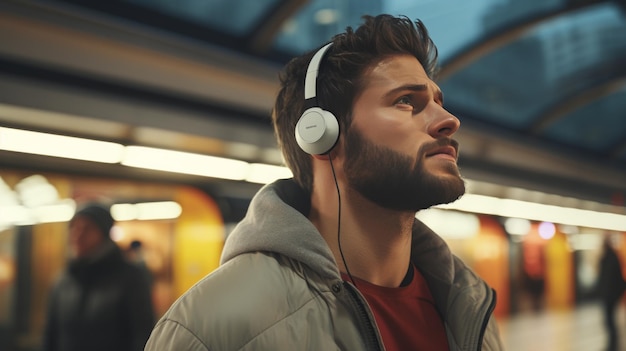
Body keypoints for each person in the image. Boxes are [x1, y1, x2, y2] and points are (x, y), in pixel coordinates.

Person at [145, 14, 503, 350]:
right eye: (407, 101)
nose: (449, 120)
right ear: (322, 135)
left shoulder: (469, 306)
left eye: (439, 102)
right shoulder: (212, 327)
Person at [43, 203, 155, 351]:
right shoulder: (64, 280)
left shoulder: (130, 278)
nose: (77, 235)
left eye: (87, 228)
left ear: (103, 233)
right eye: (74, 228)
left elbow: (142, 334)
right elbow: (51, 335)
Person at [596, 235, 626, 351]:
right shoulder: (611, 257)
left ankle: (613, 345)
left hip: (610, 295)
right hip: (609, 294)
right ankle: (612, 344)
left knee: (609, 320)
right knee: (609, 320)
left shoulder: (610, 258)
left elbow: (611, 278)